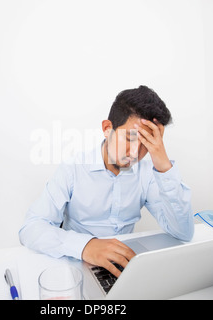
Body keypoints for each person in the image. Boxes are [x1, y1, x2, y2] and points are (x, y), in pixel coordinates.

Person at [19, 85, 193, 277]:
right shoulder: (74, 168)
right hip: (76, 265)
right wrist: (86, 246)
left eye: (146, 144)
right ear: (107, 128)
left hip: (123, 268)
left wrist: (163, 165)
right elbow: (31, 228)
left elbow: (182, 233)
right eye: (129, 139)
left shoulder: (148, 173)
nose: (135, 153)